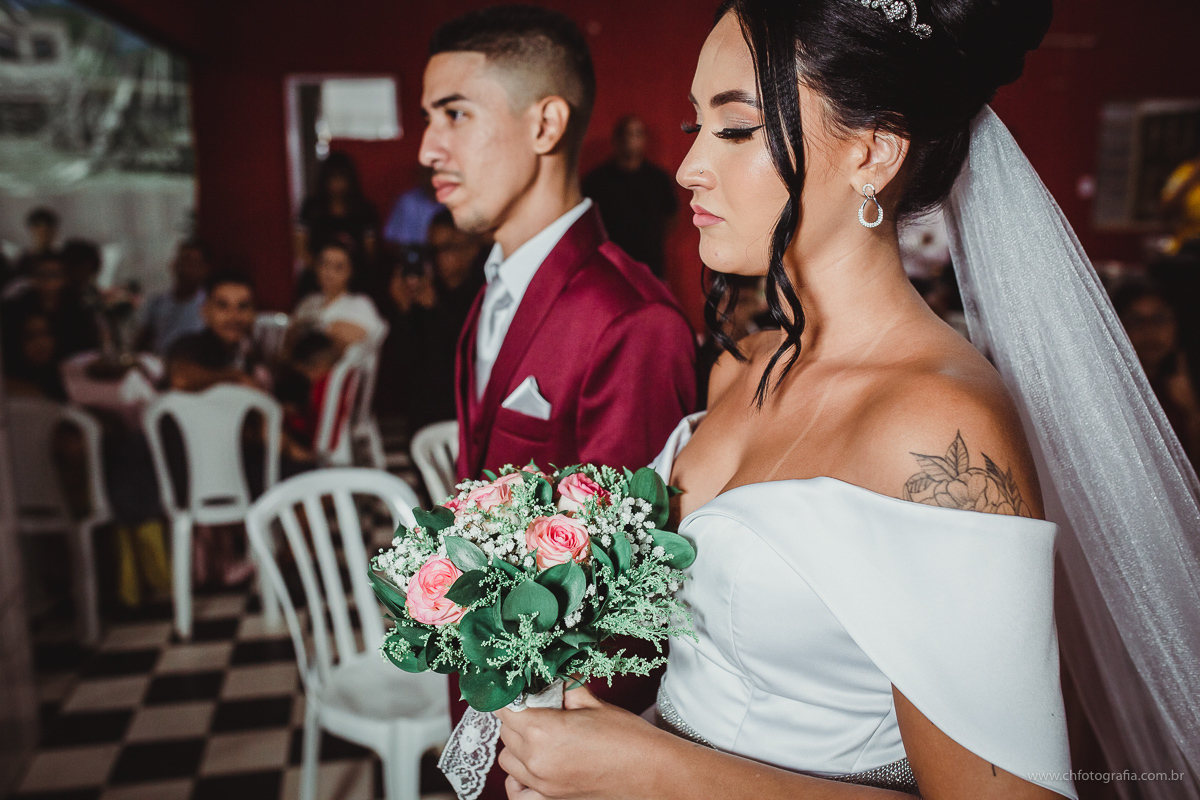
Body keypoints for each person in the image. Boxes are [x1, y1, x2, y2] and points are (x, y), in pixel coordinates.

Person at [493, 2, 1088, 799]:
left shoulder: (938, 434)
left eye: (735, 130)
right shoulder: (743, 368)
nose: (688, 167)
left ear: (873, 153)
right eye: (693, 125)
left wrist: (649, 768)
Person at [418, 6, 696, 798]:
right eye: (427, 118)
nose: (427, 148)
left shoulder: (630, 321)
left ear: (546, 122)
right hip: (490, 694)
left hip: (565, 745)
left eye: (455, 114)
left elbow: (631, 607)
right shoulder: (495, 289)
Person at [388, 209, 487, 430]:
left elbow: (468, 355)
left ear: (471, 249)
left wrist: (435, 309)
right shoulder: (428, 289)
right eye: (433, 250)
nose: (439, 258)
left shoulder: (485, 292)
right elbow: (402, 363)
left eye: (448, 248)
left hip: (464, 410)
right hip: (423, 413)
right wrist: (403, 310)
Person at [1114, 279, 1200, 461]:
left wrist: (1191, 412)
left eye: (1160, 319)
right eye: (1135, 320)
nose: (1149, 330)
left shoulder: (1186, 384)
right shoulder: (1112, 391)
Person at [582, 115, 678, 278]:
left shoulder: (658, 179)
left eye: (637, 134)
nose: (631, 140)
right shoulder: (596, 180)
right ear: (616, 139)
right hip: (609, 266)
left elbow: (672, 216)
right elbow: (585, 222)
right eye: (627, 134)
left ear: (645, 140)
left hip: (650, 267)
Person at [294, 151, 380, 298]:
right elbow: (300, 247)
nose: (337, 185)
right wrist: (324, 272)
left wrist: (345, 273)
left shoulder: (364, 211)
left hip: (355, 283)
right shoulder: (312, 209)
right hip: (315, 282)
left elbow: (369, 253)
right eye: (333, 179)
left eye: (341, 179)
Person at [165, 270, 269, 392]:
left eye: (243, 306)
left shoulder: (254, 354)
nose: (234, 316)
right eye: (223, 306)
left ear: (253, 313)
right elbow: (180, 379)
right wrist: (234, 377)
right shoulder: (189, 345)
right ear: (205, 311)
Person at [139, 239, 212, 356]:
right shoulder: (157, 303)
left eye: (193, 263)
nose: (186, 268)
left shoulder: (211, 305)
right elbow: (140, 344)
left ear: (205, 269)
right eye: (183, 261)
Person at [383, 165, 445, 246]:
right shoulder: (407, 201)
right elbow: (394, 241)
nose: (432, 178)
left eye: (436, 173)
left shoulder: (456, 200)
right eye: (428, 172)